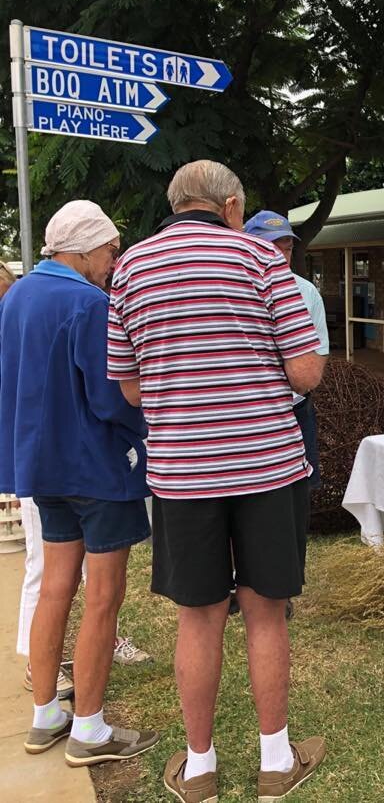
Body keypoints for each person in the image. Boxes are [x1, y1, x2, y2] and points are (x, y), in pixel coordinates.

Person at [107, 161, 327, 802]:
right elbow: (308, 373)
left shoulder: (131, 269)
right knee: (266, 612)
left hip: (181, 473)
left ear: (177, 205)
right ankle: (275, 762)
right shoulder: (262, 260)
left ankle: (199, 767)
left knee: (198, 620)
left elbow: (127, 385)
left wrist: (184, 394)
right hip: (266, 467)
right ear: (232, 205)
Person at [0, 200, 158, 764]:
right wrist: (150, 423)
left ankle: (46, 714)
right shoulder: (89, 302)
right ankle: (89, 729)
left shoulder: (17, 294)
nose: (114, 262)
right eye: (112, 250)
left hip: (41, 466)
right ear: (87, 248)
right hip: (96, 467)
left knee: (55, 588)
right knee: (103, 598)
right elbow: (110, 395)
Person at [244, 210, 329, 622]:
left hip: (293, 411)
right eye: (271, 243)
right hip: (246, 417)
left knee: (295, 500)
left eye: (287, 244)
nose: (281, 251)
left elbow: (313, 365)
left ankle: (285, 584)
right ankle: (234, 582)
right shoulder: (235, 286)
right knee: (241, 501)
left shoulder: (305, 292)